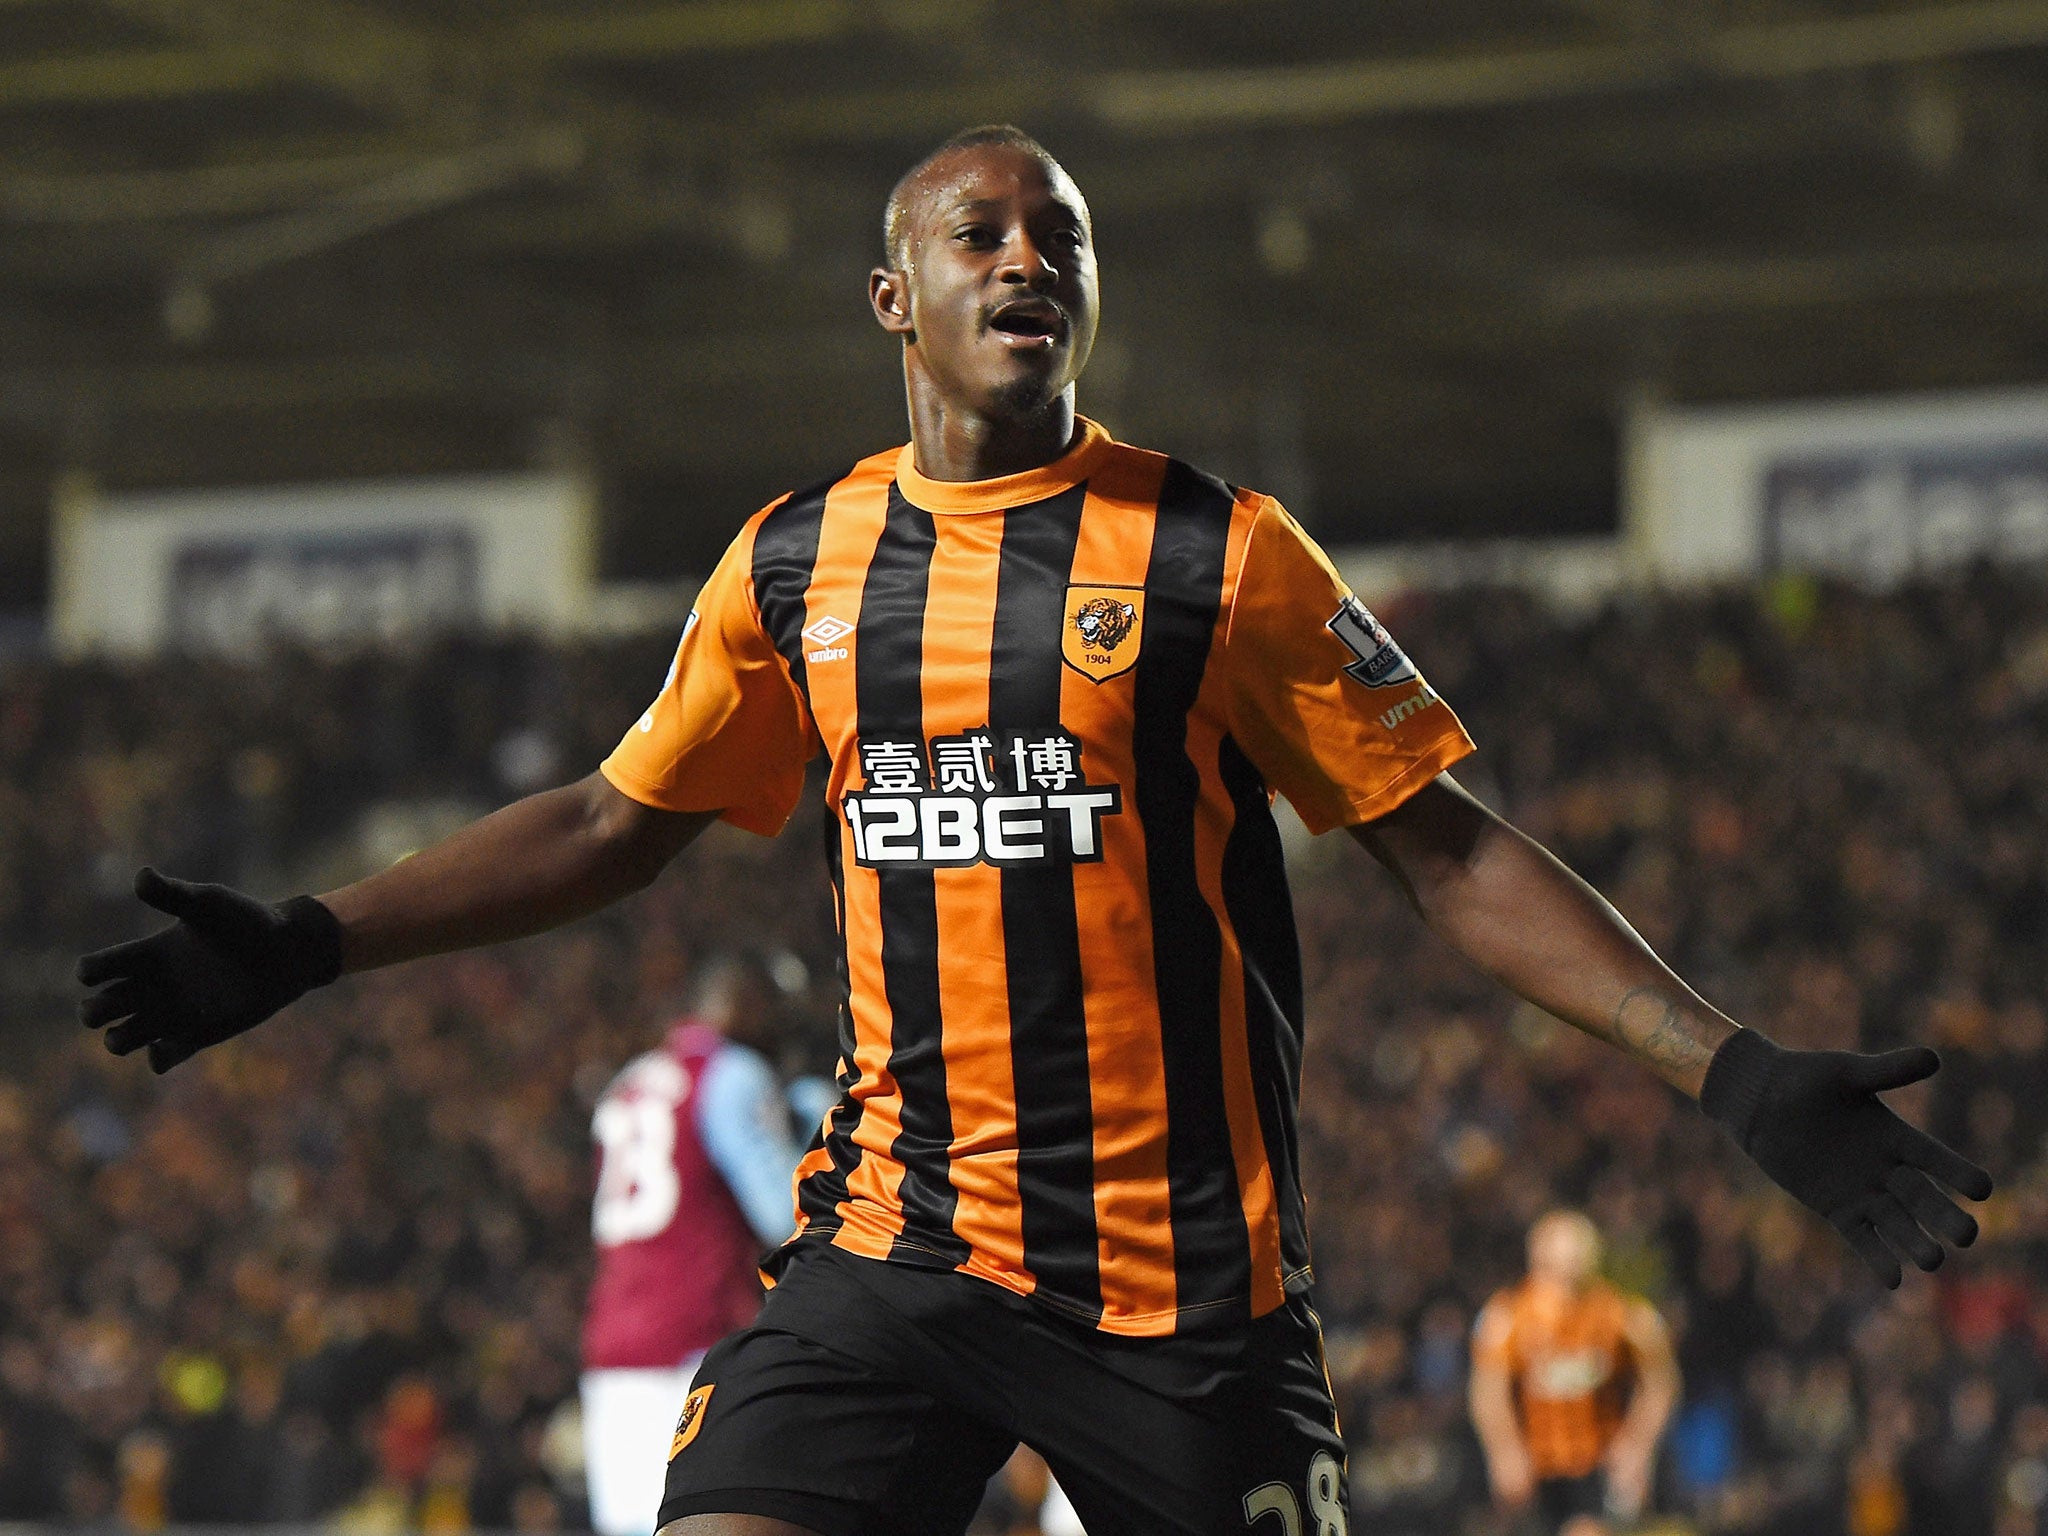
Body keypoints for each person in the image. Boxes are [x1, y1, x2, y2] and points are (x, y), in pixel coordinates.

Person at [77, 124, 1993, 1536]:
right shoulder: (797, 567)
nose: (1025, 259)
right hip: (892, 1257)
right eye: (977, 232)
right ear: (894, 297)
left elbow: (1448, 846)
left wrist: (1725, 1065)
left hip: (1187, 1301)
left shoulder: (1212, 552)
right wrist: (313, 939)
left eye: (1056, 235)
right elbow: (608, 817)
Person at [583, 956, 816, 1536]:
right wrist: (814, 1116)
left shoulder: (629, 1080)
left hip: (614, 1345)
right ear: (744, 1003)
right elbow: (785, 1214)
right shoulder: (733, 1073)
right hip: (699, 1337)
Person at [1469, 1211, 1678, 1536]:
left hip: (1598, 1462)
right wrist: (1504, 1451)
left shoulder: (1618, 1313)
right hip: (1536, 1464)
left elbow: (1660, 1381)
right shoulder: (1508, 1317)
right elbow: (1488, 1392)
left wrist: (1637, 1446)